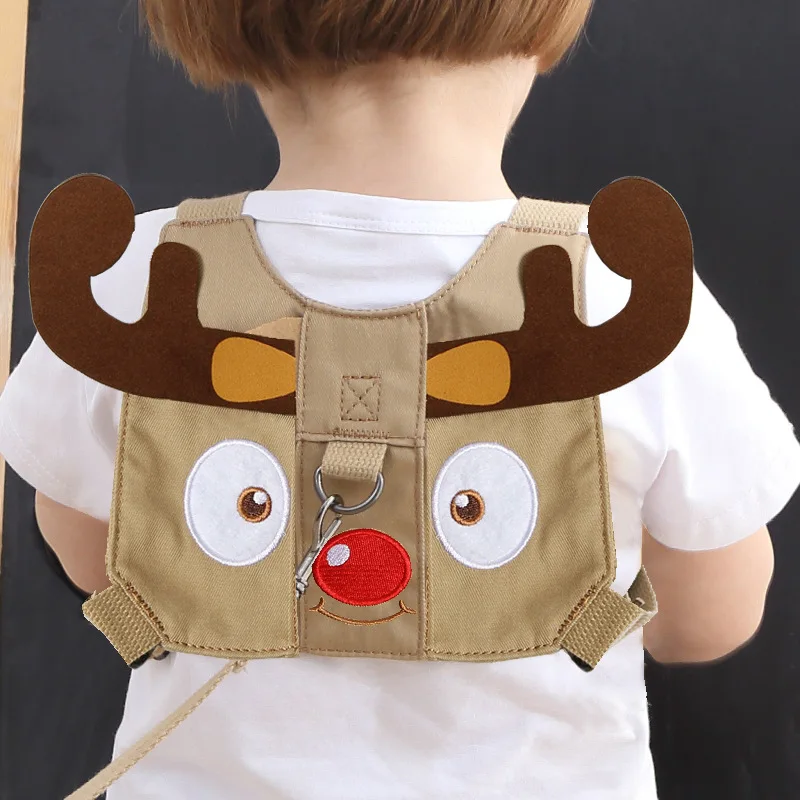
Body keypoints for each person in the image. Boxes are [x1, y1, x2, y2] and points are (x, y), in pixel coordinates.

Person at [3, 2, 800, 797]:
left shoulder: (129, 285)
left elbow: (91, 553)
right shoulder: (629, 300)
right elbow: (710, 622)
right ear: (542, 21)